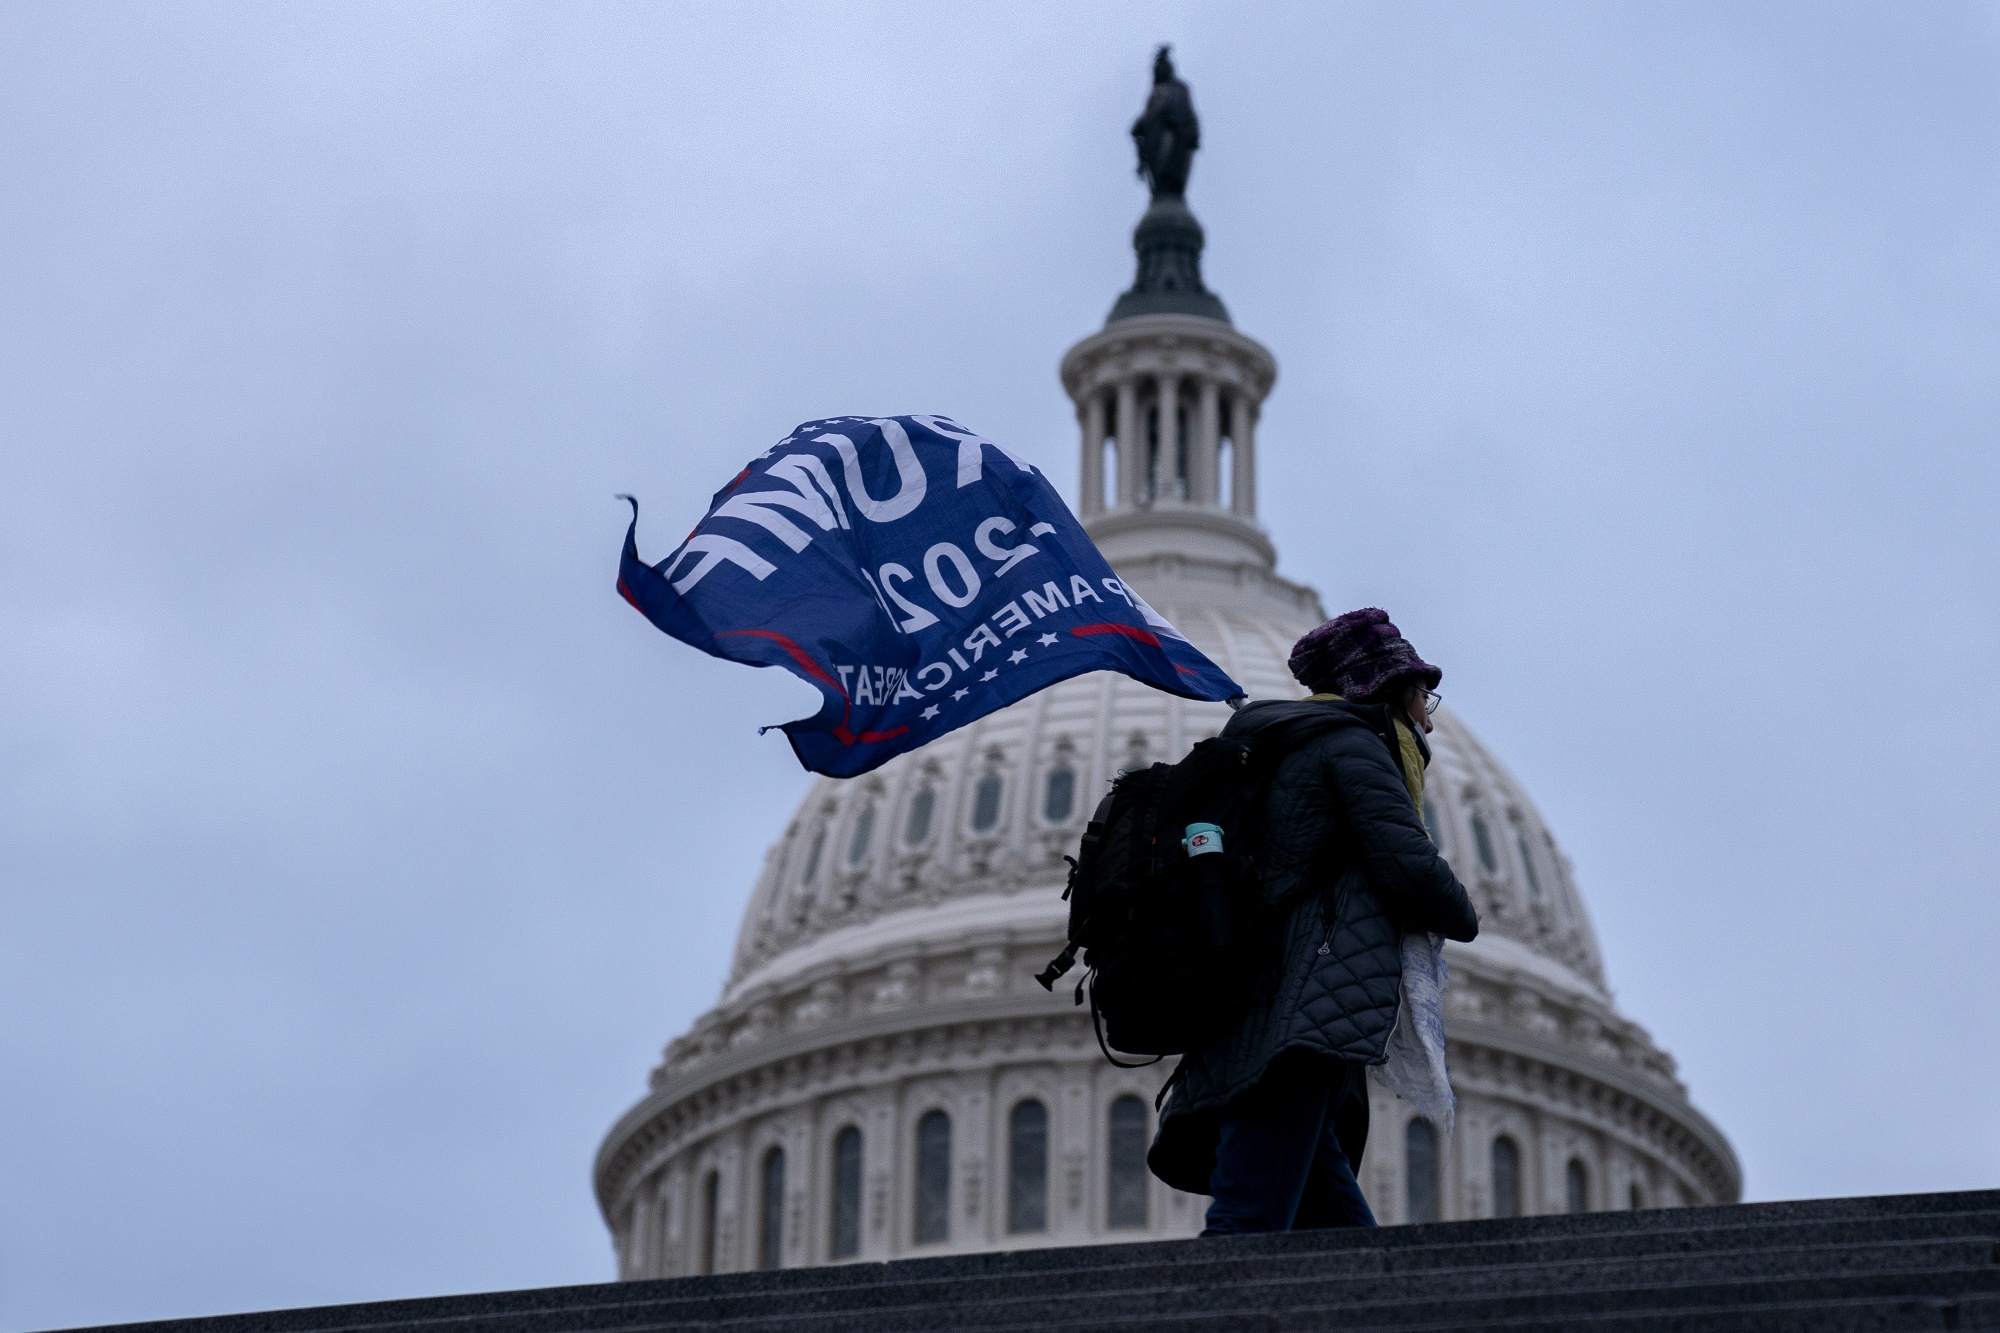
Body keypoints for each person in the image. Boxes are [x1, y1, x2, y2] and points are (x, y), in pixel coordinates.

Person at [1147, 607, 1480, 1234]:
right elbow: (1406, 861)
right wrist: (1465, 911)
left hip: (1269, 993)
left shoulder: (1285, 746)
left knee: (1327, 1219)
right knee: (1250, 1212)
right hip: (1307, 997)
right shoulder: (1353, 747)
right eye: (1422, 695)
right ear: (1389, 688)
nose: (1428, 716)